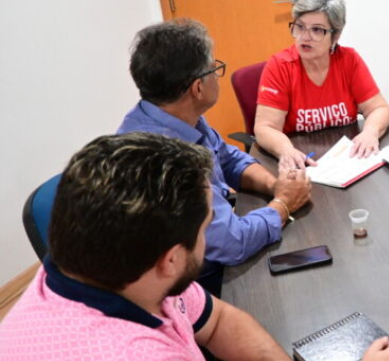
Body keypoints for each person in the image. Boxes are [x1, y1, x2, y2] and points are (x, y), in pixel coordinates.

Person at [0, 133, 389, 361]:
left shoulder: (106, 271)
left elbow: (216, 321)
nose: (213, 229)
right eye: (209, 223)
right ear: (171, 261)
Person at [118, 19, 311, 296]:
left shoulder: (174, 114)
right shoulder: (164, 160)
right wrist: (284, 204)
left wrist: (274, 186)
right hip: (187, 288)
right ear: (197, 88)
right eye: (215, 68)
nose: (217, 75)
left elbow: (228, 158)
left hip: (212, 249)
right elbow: (233, 244)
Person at [254, 0, 389, 167]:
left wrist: (370, 132)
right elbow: (265, 127)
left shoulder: (349, 60)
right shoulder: (280, 66)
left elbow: (379, 108)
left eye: (317, 30)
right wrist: (286, 150)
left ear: (335, 36)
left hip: (346, 159)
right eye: (300, 26)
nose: (305, 37)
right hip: (302, 160)